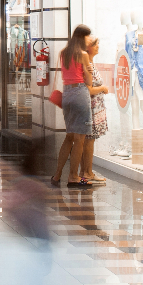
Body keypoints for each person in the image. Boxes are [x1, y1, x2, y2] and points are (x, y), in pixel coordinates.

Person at [51, 25, 93, 188]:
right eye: (88, 37)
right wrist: (88, 70)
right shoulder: (83, 55)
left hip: (67, 95)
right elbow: (88, 82)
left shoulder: (64, 53)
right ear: (82, 37)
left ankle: (57, 175)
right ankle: (74, 176)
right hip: (79, 94)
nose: (89, 39)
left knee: (69, 137)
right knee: (80, 139)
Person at [81, 37, 108, 184]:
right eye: (95, 44)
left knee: (89, 140)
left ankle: (86, 171)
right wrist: (103, 88)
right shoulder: (88, 64)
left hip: (95, 107)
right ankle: (87, 172)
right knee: (89, 140)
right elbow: (89, 89)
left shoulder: (91, 63)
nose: (98, 46)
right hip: (91, 107)